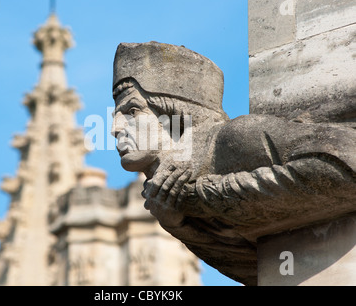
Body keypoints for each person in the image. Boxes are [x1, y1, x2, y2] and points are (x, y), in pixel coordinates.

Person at [111, 41, 356, 285]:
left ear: (174, 113)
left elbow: (346, 163)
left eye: (132, 111)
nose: (115, 129)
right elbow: (253, 270)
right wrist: (178, 224)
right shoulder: (168, 199)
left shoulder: (234, 138)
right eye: (115, 117)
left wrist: (202, 194)